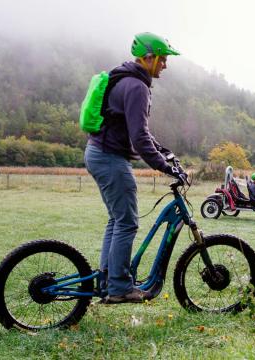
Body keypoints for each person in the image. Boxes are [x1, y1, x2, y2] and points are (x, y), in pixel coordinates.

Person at [84, 32, 188, 304]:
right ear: (148, 57)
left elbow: (140, 131)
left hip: (99, 153)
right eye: (162, 60)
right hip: (109, 158)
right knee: (127, 221)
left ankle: (108, 280)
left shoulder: (128, 80)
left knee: (117, 220)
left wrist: (164, 152)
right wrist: (164, 167)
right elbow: (139, 138)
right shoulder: (136, 87)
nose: (165, 65)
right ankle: (119, 287)